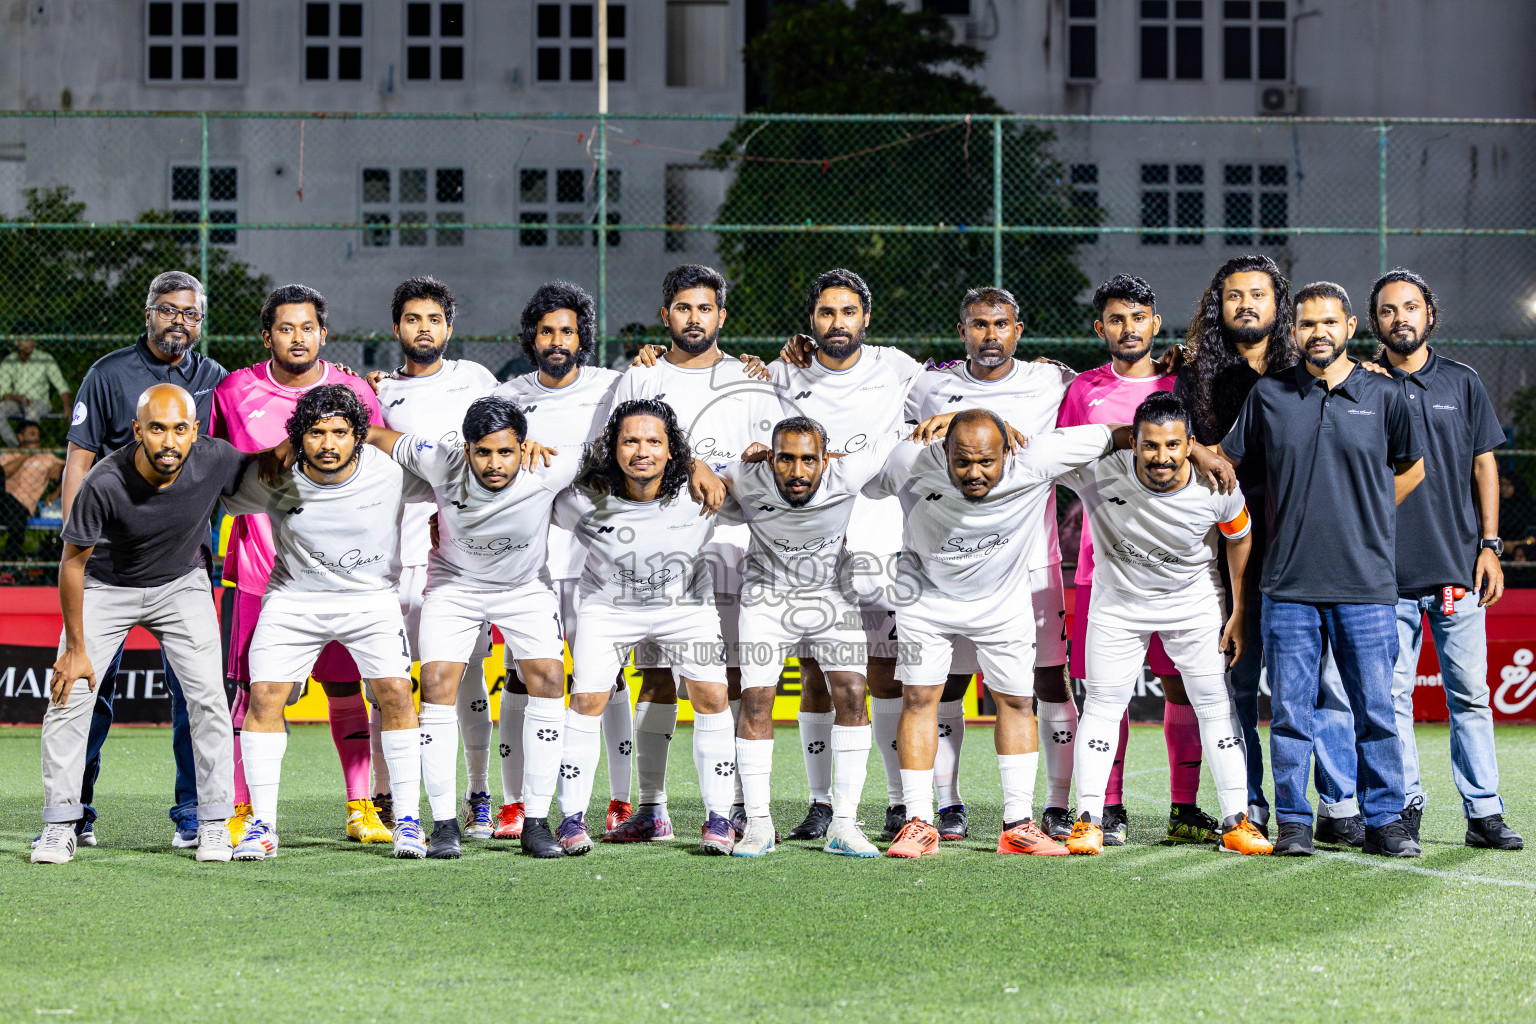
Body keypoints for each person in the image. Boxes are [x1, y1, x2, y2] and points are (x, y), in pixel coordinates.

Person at [1220, 281, 1425, 858]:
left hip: (1366, 584)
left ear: (1350, 327)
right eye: (1307, 325)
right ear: (1293, 332)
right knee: (1289, 713)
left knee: (1375, 712)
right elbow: (1228, 462)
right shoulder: (1270, 395)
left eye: (1329, 323)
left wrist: (1366, 514)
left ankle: (1385, 821)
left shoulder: (1385, 397)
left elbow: (1413, 469)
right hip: (1286, 585)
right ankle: (1293, 823)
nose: (1319, 334)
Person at [871, 411, 1115, 859]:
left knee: (1018, 701)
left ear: (1009, 450)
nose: (974, 473)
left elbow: (1119, 434)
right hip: (925, 601)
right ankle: (918, 822)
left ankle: (1018, 824)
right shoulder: (908, 459)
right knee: (920, 700)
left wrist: (1197, 449)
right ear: (943, 451)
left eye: (986, 461)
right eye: (961, 462)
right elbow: (855, 476)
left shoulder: (1037, 457)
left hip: (1002, 604)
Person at [33, 383, 246, 864]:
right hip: (107, 586)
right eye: (156, 428)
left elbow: (270, 469)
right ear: (137, 431)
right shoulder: (105, 481)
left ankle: (213, 822)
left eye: (178, 428)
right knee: (70, 695)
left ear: (195, 431)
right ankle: (60, 824)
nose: (168, 440)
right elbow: (71, 564)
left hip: (181, 584)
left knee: (208, 697)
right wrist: (74, 648)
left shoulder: (216, 458)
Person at [210, 283, 390, 846]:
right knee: (249, 695)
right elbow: (217, 472)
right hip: (256, 571)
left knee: (345, 690)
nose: (297, 337)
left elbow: (381, 465)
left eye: (307, 328)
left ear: (324, 334)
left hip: (335, 578)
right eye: (285, 328)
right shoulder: (234, 390)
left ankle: (361, 808)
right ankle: (243, 811)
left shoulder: (354, 390)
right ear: (267, 335)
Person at [606, 265, 781, 842]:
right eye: (683, 308)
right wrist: (692, 463)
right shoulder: (640, 378)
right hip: (656, 552)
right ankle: (653, 809)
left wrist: (738, 464)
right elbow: (607, 457)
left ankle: (728, 808)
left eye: (705, 309)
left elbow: (780, 467)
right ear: (666, 316)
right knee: (655, 678)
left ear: (721, 317)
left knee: (724, 681)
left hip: (731, 547)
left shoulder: (751, 382)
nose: (694, 318)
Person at [223, 385, 434, 860]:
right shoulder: (276, 475)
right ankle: (261, 825)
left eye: (340, 432)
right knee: (264, 697)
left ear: (359, 435)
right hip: (294, 599)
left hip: (370, 599)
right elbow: (221, 491)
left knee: (397, 694)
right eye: (316, 432)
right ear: (299, 438)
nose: (328, 443)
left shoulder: (391, 472)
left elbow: (460, 476)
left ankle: (406, 821)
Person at [1055, 392, 1271, 856]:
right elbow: (1046, 452)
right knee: (1103, 705)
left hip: (1193, 604)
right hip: (1119, 606)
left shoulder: (1218, 484)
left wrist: (1237, 608)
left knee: (1214, 703)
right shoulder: (1101, 471)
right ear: (1133, 443)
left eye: (1174, 446)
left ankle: (1238, 823)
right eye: (1150, 446)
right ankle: (1088, 820)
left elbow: (1240, 536)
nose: (1162, 457)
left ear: (1190, 444)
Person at [361, 397, 575, 858]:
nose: (494, 464)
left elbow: (613, 449)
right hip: (454, 586)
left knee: (550, 677)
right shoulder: (440, 458)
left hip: (524, 587)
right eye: (483, 452)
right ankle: (443, 825)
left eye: (505, 452)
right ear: (466, 448)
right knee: (436, 682)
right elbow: (376, 437)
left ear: (523, 447)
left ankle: (535, 821)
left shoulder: (550, 467)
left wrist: (694, 463)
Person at [902, 286, 1075, 843]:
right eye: (978, 325)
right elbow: (887, 428)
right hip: (946, 565)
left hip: (1031, 560)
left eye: (1001, 325)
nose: (990, 336)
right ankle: (943, 807)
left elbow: (1108, 397)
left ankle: (1048, 807)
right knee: (941, 686)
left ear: (1018, 331)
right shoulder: (930, 385)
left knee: (1042, 683)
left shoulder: (1050, 381)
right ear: (963, 332)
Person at [61, 270, 228, 848]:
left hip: (181, 562)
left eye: (190, 313)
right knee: (90, 688)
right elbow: (79, 460)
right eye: (168, 310)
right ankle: (76, 812)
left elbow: (232, 457)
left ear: (200, 321)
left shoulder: (214, 379)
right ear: (148, 313)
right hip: (106, 563)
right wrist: (73, 534)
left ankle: (192, 814)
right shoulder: (108, 374)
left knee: (192, 693)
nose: (178, 321)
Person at [1057, 274, 1215, 846]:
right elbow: (1062, 465)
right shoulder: (1082, 393)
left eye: (1139, 317)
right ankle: (1110, 809)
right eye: (1117, 319)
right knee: (1108, 695)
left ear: (1154, 322)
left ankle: (1184, 808)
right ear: (1101, 328)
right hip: (1105, 569)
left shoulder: (1184, 384)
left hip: (1180, 572)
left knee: (1184, 689)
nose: (1129, 328)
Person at [1367, 268, 1522, 850]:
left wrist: (1490, 547)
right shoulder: (1365, 384)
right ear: (1375, 321)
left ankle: (1484, 814)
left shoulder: (1463, 382)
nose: (1400, 318)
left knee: (1471, 697)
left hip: (1459, 569)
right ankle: (1406, 805)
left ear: (1429, 314)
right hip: (1386, 573)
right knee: (1391, 698)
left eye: (1410, 307)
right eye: (1388, 310)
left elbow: (1486, 466)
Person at [771, 269, 924, 843]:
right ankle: (819, 803)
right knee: (816, 672)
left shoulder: (897, 367)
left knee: (883, 675)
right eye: (827, 313)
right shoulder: (784, 372)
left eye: (849, 312)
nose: (838, 323)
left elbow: (960, 387)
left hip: (884, 539)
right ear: (811, 320)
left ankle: (891, 802)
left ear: (866, 317)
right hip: (812, 545)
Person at [552, 399, 734, 854]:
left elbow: (770, 480)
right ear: (612, 447)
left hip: (685, 606)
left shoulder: (701, 493)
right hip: (608, 608)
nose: (642, 451)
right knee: (588, 697)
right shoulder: (579, 498)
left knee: (711, 694)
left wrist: (705, 465)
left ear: (673, 451)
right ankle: (571, 820)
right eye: (630, 440)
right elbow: (523, 501)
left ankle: (720, 820)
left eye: (655, 441)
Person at [717, 416, 903, 857]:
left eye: (807, 460)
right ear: (770, 457)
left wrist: (943, 418)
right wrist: (707, 466)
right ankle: (758, 825)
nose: (797, 472)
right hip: (767, 597)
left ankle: (843, 825)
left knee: (854, 694)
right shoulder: (745, 475)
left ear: (826, 459)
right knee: (757, 699)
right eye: (785, 459)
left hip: (832, 597)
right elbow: (699, 469)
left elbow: (896, 432)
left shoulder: (848, 471)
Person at [494, 281, 623, 840]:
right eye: (546, 330)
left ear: (582, 337)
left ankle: (620, 802)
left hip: (600, 557)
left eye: (567, 330)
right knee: (523, 678)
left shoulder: (614, 387)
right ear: (531, 337)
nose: (556, 340)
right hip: (533, 565)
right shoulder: (507, 396)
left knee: (606, 678)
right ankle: (515, 803)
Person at [1174, 255, 1298, 836]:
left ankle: (1326, 808)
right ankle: (1248, 806)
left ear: (1280, 304)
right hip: (1227, 551)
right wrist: (1195, 446)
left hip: (1302, 545)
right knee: (1239, 686)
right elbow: (1171, 437)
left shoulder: (1309, 370)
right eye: (1233, 295)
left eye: (1258, 293)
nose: (1246, 303)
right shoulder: (1195, 373)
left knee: (1314, 692)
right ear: (1217, 306)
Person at [372, 276, 500, 839]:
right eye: (413, 319)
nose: (423, 328)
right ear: (396, 326)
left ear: (450, 327)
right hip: (391, 548)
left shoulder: (475, 379)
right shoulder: (378, 392)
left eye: (434, 319)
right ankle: (387, 798)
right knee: (390, 679)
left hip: (456, 553)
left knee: (463, 676)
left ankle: (478, 793)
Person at [2, 419, 64, 559]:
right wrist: (24, 455)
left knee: (17, 522)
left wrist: (60, 468)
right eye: (31, 434)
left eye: (37, 435)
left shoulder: (46, 457)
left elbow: (72, 469)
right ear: (21, 437)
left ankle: (7, 568)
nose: (36, 438)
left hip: (21, 507)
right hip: (3, 500)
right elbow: (3, 473)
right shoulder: (8, 455)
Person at [0, 326, 71, 446]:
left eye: (33, 339)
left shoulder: (45, 359)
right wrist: (18, 398)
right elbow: (4, 394)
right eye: (26, 339)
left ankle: (30, 450)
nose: (31, 343)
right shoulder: (9, 361)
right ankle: (18, 448)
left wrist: (67, 405)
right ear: (16, 341)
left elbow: (62, 386)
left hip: (40, 402)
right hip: (18, 401)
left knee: (31, 413)